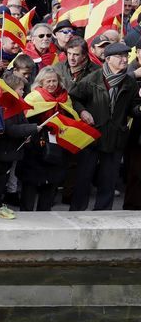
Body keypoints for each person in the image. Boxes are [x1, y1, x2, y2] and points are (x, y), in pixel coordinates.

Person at [68, 42, 141, 211]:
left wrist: (139, 108)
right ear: (108, 59)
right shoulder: (92, 79)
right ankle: (77, 211)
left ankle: (103, 213)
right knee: (84, 177)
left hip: (116, 136)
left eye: (126, 56)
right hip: (92, 135)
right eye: (120, 57)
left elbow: (133, 108)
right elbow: (74, 98)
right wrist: (83, 112)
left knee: (109, 178)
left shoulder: (129, 82)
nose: (125, 60)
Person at [19, 66, 72, 212]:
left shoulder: (65, 98)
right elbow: (24, 118)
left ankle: (45, 213)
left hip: (56, 145)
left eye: (54, 81)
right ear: (40, 83)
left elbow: (71, 117)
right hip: (35, 146)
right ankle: (27, 214)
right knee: (30, 183)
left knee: (51, 182)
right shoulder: (33, 97)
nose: (52, 84)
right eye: (48, 81)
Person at [0, 71, 36, 219]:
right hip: (2, 151)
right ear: (11, 90)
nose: (23, 92)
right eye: (20, 89)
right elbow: (11, 130)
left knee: (4, 179)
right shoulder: (6, 105)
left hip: (9, 150)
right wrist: (33, 128)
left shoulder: (15, 104)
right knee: (0, 179)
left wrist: (27, 135)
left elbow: (21, 124)